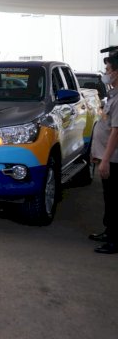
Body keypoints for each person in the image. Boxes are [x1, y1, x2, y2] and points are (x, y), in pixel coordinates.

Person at [89, 54, 118, 254]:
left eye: (108, 71)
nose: (106, 74)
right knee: (109, 197)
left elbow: (116, 132)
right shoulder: (114, 94)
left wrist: (105, 160)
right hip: (108, 157)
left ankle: (115, 241)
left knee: (115, 200)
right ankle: (109, 232)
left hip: (114, 159)